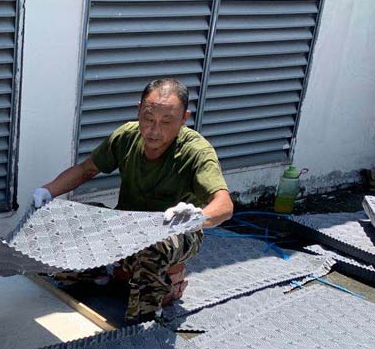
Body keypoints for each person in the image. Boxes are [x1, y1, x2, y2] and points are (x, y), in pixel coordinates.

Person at [32, 78, 234, 323]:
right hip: (128, 224)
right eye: (148, 118)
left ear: (184, 118)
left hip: (173, 231)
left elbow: (224, 205)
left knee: (154, 246)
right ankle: (95, 276)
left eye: (166, 122)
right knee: (70, 217)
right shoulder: (127, 136)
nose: (154, 130)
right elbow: (86, 169)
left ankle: (145, 315)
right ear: (139, 110)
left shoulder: (196, 151)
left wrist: (196, 217)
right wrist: (48, 191)